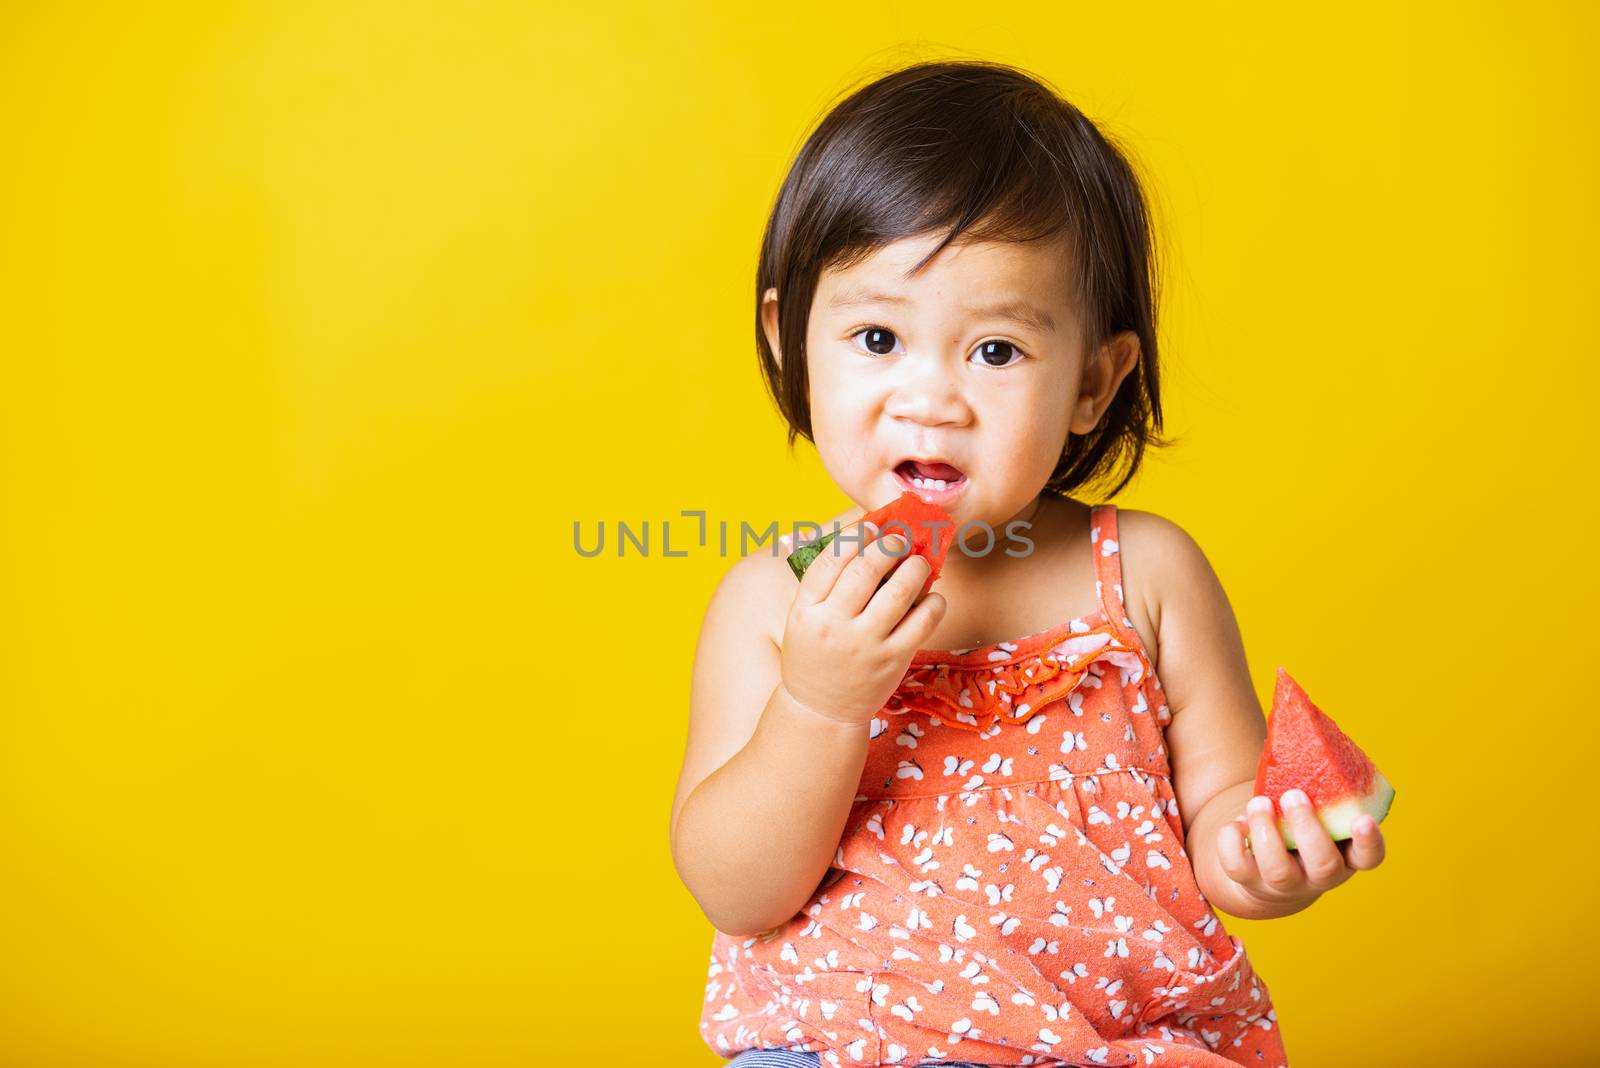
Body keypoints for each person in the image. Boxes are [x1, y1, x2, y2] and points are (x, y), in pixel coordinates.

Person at [669, 59, 1384, 1068]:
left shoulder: (1145, 574)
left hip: (1119, 1042)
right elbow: (735, 890)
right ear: (789, 342)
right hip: (848, 1042)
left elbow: (1223, 809)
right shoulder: (775, 602)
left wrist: (1268, 859)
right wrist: (820, 701)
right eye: (877, 337)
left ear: (1093, 382)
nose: (932, 399)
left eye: (995, 352)